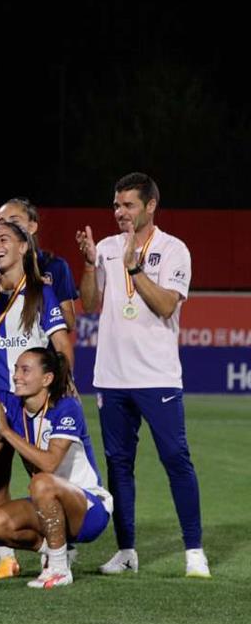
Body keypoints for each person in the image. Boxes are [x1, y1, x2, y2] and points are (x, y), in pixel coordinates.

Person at [76, 172, 208, 578]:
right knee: (119, 466)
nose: (120, 213)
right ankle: (126, 550)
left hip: (158, 376)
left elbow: (167, 305)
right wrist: (87, 262)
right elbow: (91, 302)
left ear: (151, 206)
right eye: (116, 205)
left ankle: (194, 552)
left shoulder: (173, 250)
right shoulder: (107, 248)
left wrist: (135, 271)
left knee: (175, 459)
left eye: (129, 205)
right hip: (112, 376)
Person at [0, 221, 71, 578]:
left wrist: (64, 387)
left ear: (25, 247)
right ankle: (6, 554)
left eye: (4, 240)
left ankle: (57, 547)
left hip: (32, 401)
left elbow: (60, 345)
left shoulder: (41, 293)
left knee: (41, 476)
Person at [0, 348, 113, 589]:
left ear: (47, 379)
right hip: (47, 504)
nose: (16, 376)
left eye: (25, 370)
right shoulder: (12, 407)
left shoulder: (66, 407)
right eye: (15, 370)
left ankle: (59, 570)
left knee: (41, 482)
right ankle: (58, 553)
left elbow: (49, 463)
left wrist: (8, 432)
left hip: (88, 509)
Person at [0, 198, 78, 332]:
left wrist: (46, 294)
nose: (7, 228)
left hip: (44, 351)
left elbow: (69, 324)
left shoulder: (55, 266)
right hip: (5, 350)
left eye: (15, 221)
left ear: (32, 227)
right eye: (2, 223)